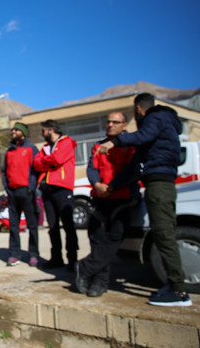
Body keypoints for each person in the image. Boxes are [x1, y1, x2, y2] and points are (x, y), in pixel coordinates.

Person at [98, 93, 191, 307]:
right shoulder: (163, 126)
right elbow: (134, 165)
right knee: (164, 234)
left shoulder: (155, 119)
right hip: (158, 183)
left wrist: (116, 142)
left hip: (159, 185)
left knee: (163, 234)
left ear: (138, 109)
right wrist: (114, 185)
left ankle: (179, 290)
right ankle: (174, 284)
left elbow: (141, 137)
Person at [75, 112, 140, 297]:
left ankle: (85, 267)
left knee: (114, 238)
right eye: (108, 121)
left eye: (115, 122)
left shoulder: (131, 146)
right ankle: (99, 282)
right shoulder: (98, 146)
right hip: (100, 197)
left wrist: (113, 186)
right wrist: (97, 184)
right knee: (97, 238)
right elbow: (92, 168)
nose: (110, 124)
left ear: (124, 125)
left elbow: (132, 170)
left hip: (122, 198)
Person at [33, 119, 78, 271]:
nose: (42, 133)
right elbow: (37, 163)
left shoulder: (67, 142)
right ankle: (56, 257)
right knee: (52, 226)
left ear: (51, 129)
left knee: (68, 225)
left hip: (62, 188)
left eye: (43, 130)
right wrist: (50, 162)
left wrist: (50, 161)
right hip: (47, 190)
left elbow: (58, 159)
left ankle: (72, 259)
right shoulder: (45, 148)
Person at [2, 122, 40, 267]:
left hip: (27, 192)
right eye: (12, 129)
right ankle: (14, 254)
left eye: (16, 129)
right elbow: (4, 171)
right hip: (12, 192)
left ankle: (34, 254)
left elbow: (35, 170)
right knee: (13, 226)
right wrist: (7, 187)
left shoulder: (31, 149)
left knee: (32, 225)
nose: (13, 131)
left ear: (23, 133)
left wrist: (31, 188)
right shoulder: (9, 151)